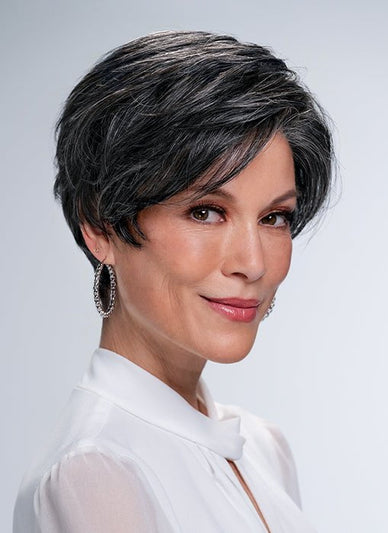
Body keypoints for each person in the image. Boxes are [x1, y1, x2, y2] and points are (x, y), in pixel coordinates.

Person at [13, 30, 333, 532]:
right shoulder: (95, 473)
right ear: (100, 226)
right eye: (206, 212)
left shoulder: (265, 449)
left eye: (274, 218)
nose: (252, 263)